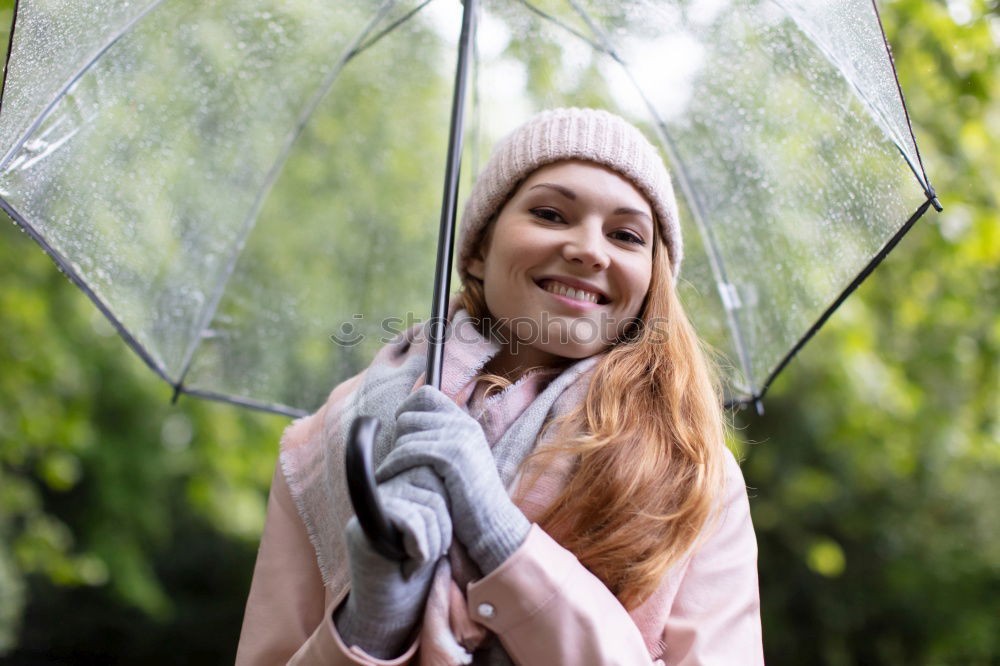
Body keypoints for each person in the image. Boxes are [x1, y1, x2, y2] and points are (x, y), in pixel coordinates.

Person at [236, 108, 763, 665]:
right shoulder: (328, 445)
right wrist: (370, 620)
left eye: (626, 234)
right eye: (550, 213)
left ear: (652, 278)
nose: (589, 248)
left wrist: (504, 540)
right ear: (479, 251)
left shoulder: (692, 475)